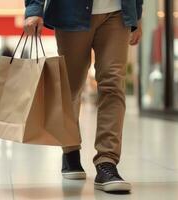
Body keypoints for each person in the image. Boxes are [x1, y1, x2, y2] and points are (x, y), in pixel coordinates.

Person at [24, 0, 143, 193]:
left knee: (113, 84)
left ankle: (107, 161)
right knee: (70, 87)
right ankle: (70, 150)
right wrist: (34, 8)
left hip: (118, 11)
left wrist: (136, 13)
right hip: (70, 10)